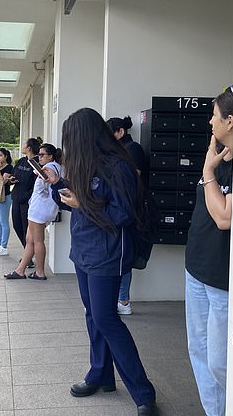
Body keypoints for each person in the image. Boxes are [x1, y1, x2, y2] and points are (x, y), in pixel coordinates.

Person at [47, 108, 157, 416]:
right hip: (84, 251)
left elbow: (122, 214)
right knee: (93, 315)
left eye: (71, 138)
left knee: (107, 318)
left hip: (108, 253)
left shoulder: (118, 166)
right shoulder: (84, 164)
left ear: (85, 137)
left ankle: (143, 394)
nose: (67, 145)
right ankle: (101, 375)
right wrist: (58, 186)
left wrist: (84, 203)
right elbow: (76, 205)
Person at [184, 85, 233, 416]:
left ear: (230, 121)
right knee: (199, 352)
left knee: (220, 363)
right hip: (196, 268)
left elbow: (224, 218)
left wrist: (207, 172)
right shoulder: (220, 156)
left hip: (221, 276)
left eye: (215, 116)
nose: (210, 123)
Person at [106, 116, 147, 316]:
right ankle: (119, 298)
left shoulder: (133, 149)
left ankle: (123, 299)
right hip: (123, 207)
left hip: (130, 210)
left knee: (125, 256)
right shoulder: (121, 151)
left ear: (120, 132)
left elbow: (133, 177)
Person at [4, 143, 61, 280]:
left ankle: (40, 272)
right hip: (43, 209)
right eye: (39, 155)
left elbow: (48, 182)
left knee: (38, 241)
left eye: (42, 155)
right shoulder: (57, 167)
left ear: (50, 156)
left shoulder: (48, 168)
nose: (39, 157)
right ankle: (20, 270)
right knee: (30, 240)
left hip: (39, 210)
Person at [9, 138, 40, 249]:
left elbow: (38, 183)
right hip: (16, 198)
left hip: (27, 201)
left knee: (27, 228)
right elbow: (13, 174)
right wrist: (11, 179)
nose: (22, 147)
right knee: (17, 226)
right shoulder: (22, 161)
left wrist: (29, 196)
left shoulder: (37, 163)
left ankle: (28, 255)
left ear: (29, 148)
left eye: (24, 145)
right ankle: (26, 250)